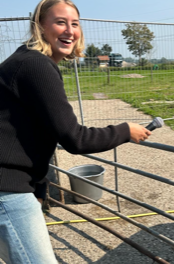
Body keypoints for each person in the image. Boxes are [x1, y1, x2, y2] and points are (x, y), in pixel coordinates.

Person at [0, 0, 151, 263]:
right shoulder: (35, 65)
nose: (70, 30)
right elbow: (74, 137)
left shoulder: (24, 60)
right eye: (60, 22)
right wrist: (125, 130)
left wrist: (37, 187)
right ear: (40, 27)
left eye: (75, 24)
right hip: (7, 190)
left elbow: (25, 134)